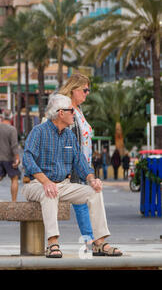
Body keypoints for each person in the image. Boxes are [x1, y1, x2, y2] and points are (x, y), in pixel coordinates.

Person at [22, 94, 122, 258]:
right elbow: (27, 159)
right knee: (50, 192)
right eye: (71, 111)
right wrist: (46, 182)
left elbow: (81, 163)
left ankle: (99, 243)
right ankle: (52, 243)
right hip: (36, 184)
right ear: (60, 113)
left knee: (94, 192)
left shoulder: (70, 136)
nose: (74, 114)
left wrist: (92, 180)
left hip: (64, 184)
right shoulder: (38, 132)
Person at [58, 73, 94, 242]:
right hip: (75, 167)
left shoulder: (79, 110)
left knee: (85, 203)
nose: (87, 93)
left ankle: (91, 240)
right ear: (73, 90)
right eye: (84, 90)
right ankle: (91, 240)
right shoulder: (67, 110)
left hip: (85, 166)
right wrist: (70, 168)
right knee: (82, 205)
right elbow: (65, 142)